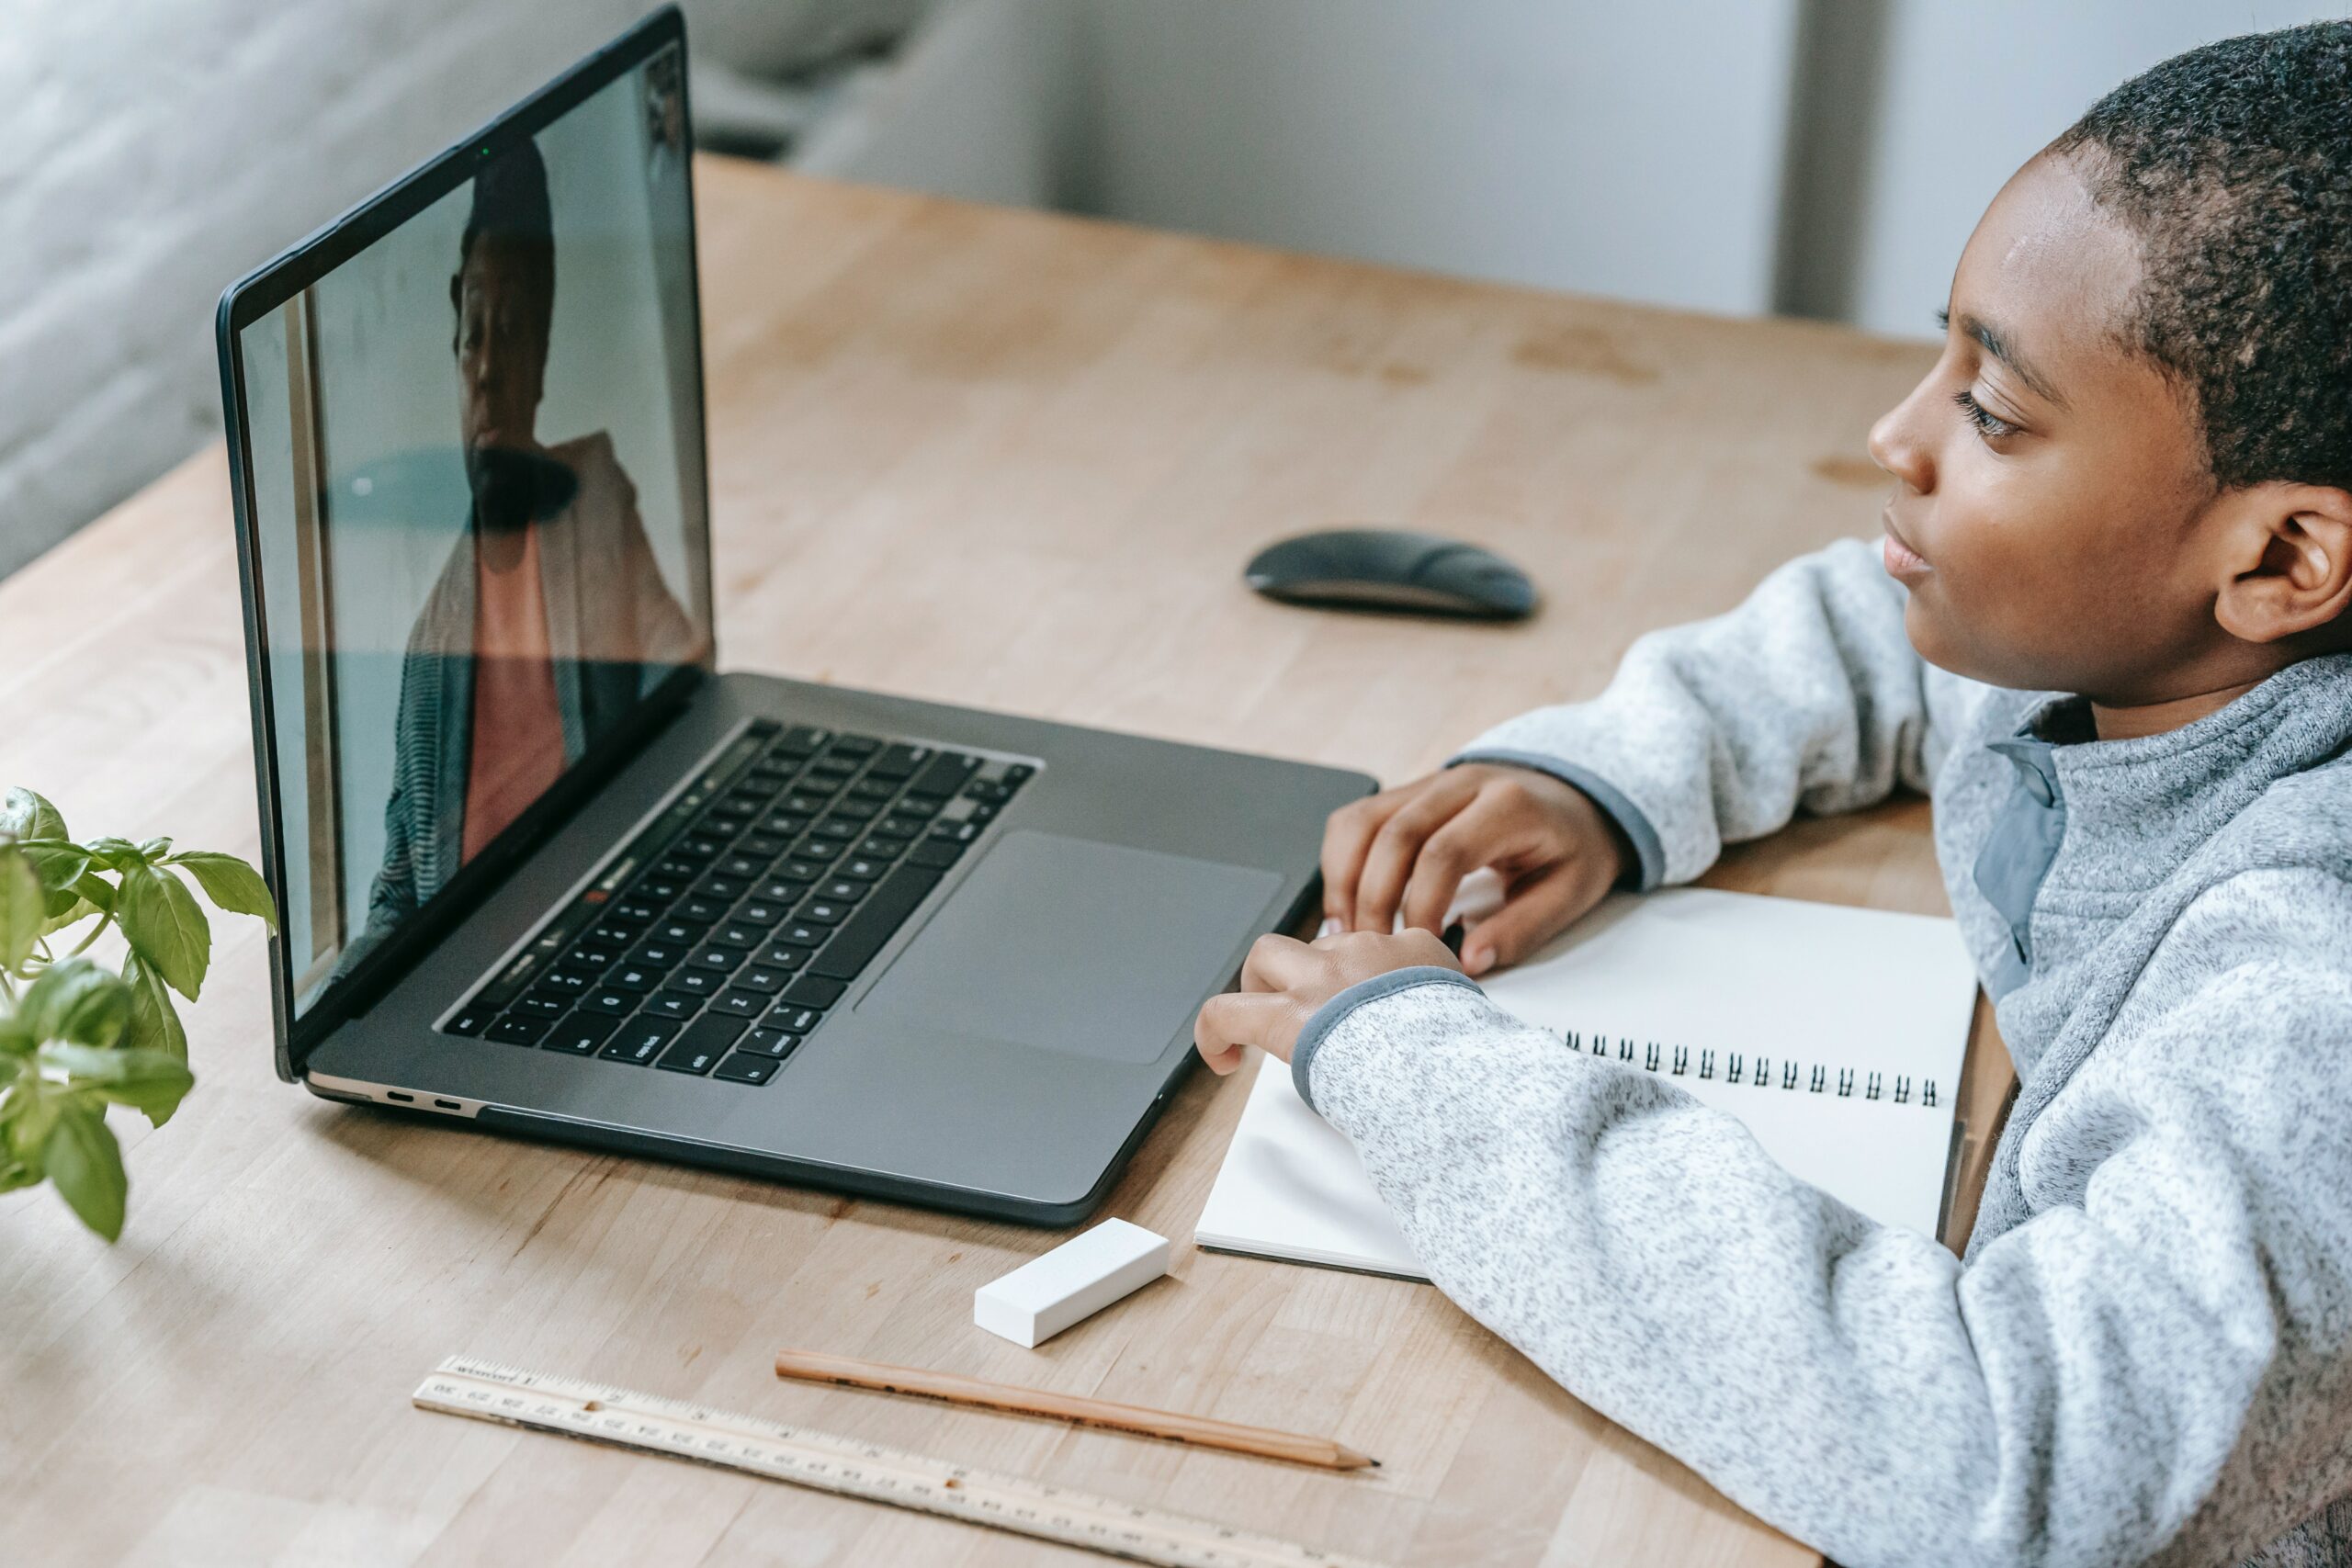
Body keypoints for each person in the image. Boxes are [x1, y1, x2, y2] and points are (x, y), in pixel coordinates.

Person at [1193, 26, 2352, 1567]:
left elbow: (2018, 1471)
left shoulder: (2309, 986)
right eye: (1943, 356)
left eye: (1993, 417)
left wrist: (1420, 1072)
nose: (1897, 437)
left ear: (2280, 562)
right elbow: (1899, 623)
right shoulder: (2139, 638)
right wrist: (1606, 775)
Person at [345, 138, 701, 969]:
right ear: (455, 345)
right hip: (479, 978)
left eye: (514, 333)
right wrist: (344, 1008)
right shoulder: (429, 642)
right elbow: (398, 889)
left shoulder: (595, 500)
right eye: (475, 332)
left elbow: (679, 681)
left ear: (541, 355)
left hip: (612, 936)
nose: (491, 367)